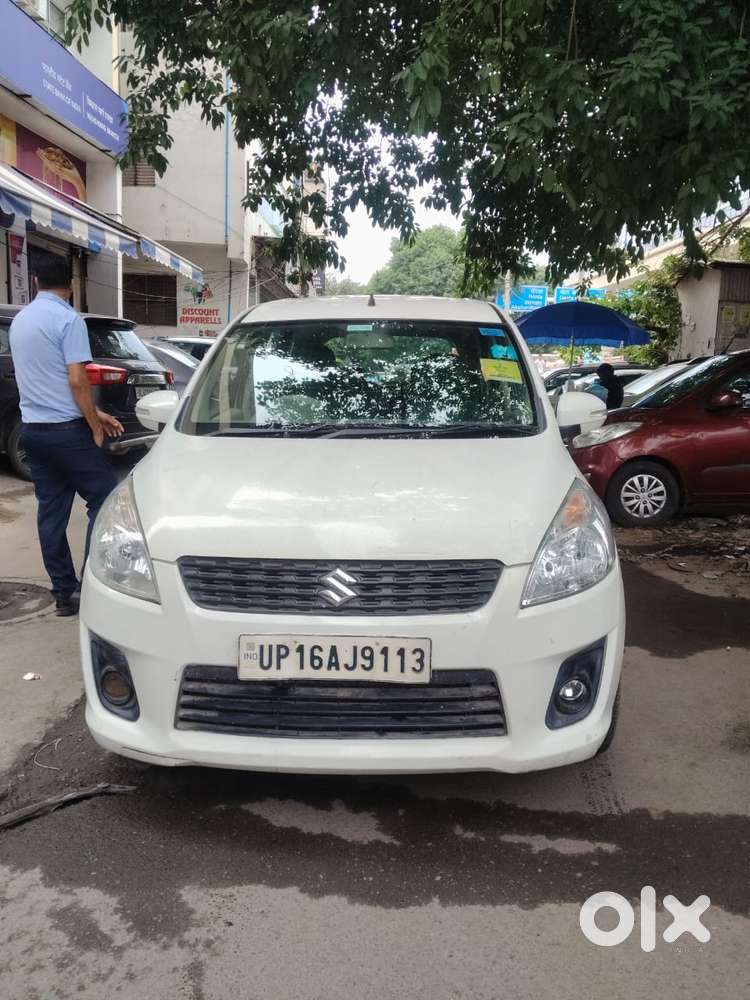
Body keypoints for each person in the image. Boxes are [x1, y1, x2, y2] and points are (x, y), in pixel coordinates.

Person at [9, 255, 123, 616]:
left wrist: (95, 413)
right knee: (104, 499)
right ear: (70, 285)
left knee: (51, 514)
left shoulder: (20, 321)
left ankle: (63, 593)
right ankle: (89, 589)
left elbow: (49, 382)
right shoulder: (67, 320)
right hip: (67, 434)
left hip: (34, 433)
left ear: (36, 280)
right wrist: (92, 424)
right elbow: (76, 380)